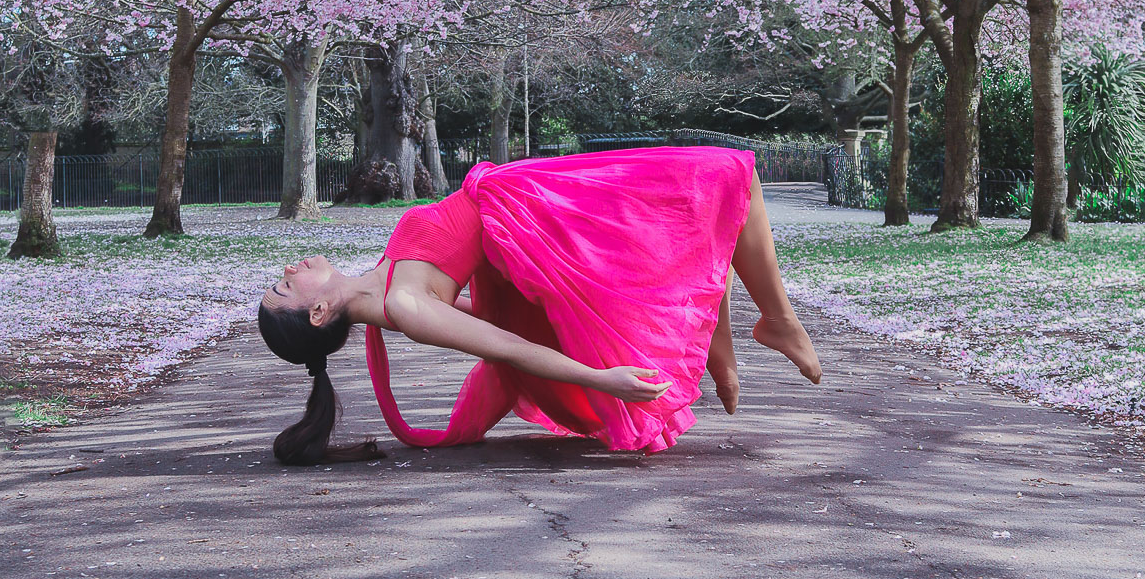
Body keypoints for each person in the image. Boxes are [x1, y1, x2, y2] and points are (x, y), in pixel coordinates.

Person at [258, 146, 821, 465]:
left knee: (697, 198)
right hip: (532, 215)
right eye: (284, 288)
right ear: (317, 314)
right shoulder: (404, 305)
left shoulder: (384, 284)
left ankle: (723, 337)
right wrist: (604, 380)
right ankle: (774, 322)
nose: (287, 271)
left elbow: (484, 315)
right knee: (717, 177)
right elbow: (510, 347)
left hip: (521, 204)